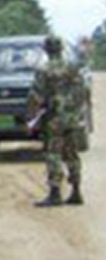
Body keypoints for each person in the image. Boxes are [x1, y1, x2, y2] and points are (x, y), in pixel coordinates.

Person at [29, 34, 86, 207]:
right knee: (71, 153)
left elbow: (36, 96)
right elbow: (82, 91)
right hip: (72, 117)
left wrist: (32, 116)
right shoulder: (72, 67)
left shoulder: (44, 69)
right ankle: (76, 191)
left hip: (54, 118)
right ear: (61, 49)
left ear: (46, 50)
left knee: (53, 153)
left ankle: (55, 193)